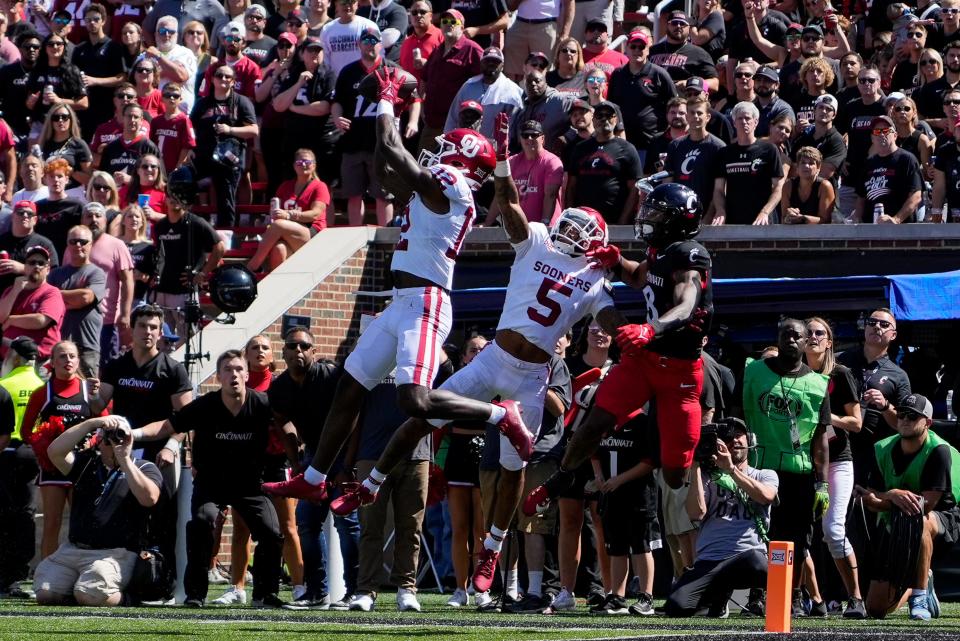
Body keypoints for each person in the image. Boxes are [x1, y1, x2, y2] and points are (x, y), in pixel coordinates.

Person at [330, 110, 620, 599]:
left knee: (511, 471)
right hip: (492, 360)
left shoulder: (596, 280)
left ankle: (494, 546)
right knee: (422, 409)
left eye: (580, 231)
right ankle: (373, 481)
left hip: (531, 376)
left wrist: (626, 301)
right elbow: (508, 209)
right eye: (567, 223)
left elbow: (612, 323)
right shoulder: (540, 240)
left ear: (596, 244)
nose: (569, 232)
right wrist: (505, 163)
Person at [262, 68, 500, 509]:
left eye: (448, 151)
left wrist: (387, 98)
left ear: (464, 163)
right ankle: (314, 477)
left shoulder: (455, 188)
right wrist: (380, 125)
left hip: (426, 304)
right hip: (400, 302)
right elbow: (385, 170)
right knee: (350, 385)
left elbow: (394, 148)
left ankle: (501, 415)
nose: (439, 154)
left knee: (413, 400)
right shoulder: (436, 190)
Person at [524, 181, 713, 528]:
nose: (647, 218)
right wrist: (617, 261)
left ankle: (674, 437)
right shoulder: (659, 251)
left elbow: (687, 304)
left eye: (656, 214)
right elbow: (641, 278)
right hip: (645, 361)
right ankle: (562, 479)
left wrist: (649, 329)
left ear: (677, 221)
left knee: (674, 474)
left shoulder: (690, 254)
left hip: (680, 373)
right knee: (594, 422)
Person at [134, 350, 286, 608]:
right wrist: (133, 433)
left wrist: (298, 446)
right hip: (211, 484)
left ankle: (265, 593)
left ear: (247, 375)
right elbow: (167, 427)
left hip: (249, 484)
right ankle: (195, 594)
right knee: (202, 523)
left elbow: (288, 424)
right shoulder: (205, 405)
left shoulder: (262, 404)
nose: (234, 375)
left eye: (239, 369)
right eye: (227, 369)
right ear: (219, 376)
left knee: (272, 531)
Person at [743, 319, 832, 617]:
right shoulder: (753, 371)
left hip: (800, 473)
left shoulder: (819, 385)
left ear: (808, 342)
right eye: (786, 334)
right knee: (761, 536)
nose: (792, 339)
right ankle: (758, 594)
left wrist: (823, 483)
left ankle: (790, 596)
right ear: (778, 338)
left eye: (798, 335)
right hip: (760, 468)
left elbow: (821, 439)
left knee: (796, 540)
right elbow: (735, 415)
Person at [263, 326, 355, 609]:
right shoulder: (279, 388)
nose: (298, 351)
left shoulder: (331, 377)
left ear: (314, 352)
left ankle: (356, 592)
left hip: (342, 453)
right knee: (307, 522)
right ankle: (317, 593)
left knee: (347, 523)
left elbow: (355, 418)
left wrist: (348, 465)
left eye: (304, 347)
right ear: (284, 352)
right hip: (314, 457)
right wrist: (296, 462)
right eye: (292, 346)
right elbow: (281, 421)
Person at [33, 414, 161, 606]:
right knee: (46, 595)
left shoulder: (144, 467)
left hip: (116, 553)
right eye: (107, 437)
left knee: (91, 595)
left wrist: (124, 460)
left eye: (118, 436)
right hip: (74, 549)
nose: (112, 442)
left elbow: (149, 499)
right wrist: (92, 423)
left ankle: (128, 598)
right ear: (99, 441)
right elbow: (54, 452)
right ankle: (79, 591)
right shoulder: (86, 464)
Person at [857, 394, 960, 621]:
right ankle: (920, 583)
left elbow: (925, 505)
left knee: (919, 523)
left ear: (928, 423)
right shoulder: (882, 449)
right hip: (894, 522)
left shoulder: (938, 450)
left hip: (940, 521)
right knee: (876, 608)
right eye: (902, 414)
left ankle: (920, 597)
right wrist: (892, 495)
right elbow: (868, 498)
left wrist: (883, 500)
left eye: (913, 416)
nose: (904, 419)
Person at [663, 418, 779, 617]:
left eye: (739, 435)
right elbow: (695, 513)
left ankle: (753, 599)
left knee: (762, 567)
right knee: (676, 607)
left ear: (749, 439)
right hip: (710, 559)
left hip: (748, 554)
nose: (734, 441)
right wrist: (695, 467)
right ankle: (718, 596)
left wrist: (731, 470)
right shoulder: (708, 476)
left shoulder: (765, 474)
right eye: (728, 437)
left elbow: (766, 496)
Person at [802, 316, 867, 618]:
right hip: (802, 461)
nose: (813, 337)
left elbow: (856, 423)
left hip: (838, 461)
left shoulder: (839, 374)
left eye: (820, 333)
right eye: (808, 333)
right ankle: (813, 599)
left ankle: (855, 598)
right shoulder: (794, 375)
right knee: (797, 532)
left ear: (829, 341)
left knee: (833, 530)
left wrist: (825, 417)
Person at [21, 340, 92, 559]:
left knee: (82, 527)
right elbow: (26, 431)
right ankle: (45, 578)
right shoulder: (43, 393)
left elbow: (105, 422)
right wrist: (42, 446)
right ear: (52, 362)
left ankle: (79, 577)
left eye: (72, 356)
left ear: (78, 360)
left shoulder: (90, 390)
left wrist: (92, 442)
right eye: (62, 356)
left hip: (81, 467)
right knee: (51, 523)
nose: (67, 360)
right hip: (52, 469)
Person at [333, 27, 409, 227]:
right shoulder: (349, 72)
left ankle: (387, 236)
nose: (369, 44)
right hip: (353, 140)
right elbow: (337, 101)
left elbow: (415, 97)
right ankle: (354, 238)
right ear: (359, 44)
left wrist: (412, 122)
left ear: (380, 44)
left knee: (383, 194)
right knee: (353, 194)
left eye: (373, 41)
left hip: (381, 143)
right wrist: (337, 118)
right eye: (365, 40)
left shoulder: (391, 69)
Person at [442, 335, 489, 608]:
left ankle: (481, 588)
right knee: (459, 527)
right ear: (464, 357)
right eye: (473, 350)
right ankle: (460, 589)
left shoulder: (496, 379)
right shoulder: (456, 380)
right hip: (458, 452)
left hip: (486, 454)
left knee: (481, 528)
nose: (478, 354)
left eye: (484, 350)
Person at [150, 165, 225, 335]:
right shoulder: (160, 226)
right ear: (165, 198)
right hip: (161, 291)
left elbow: (219, 247)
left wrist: (203, 273)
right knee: (161, 340)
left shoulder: (195, 222)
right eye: (170, 196)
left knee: (188, 337)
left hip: (185, 293)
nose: (174, 199)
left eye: (178, 196)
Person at [0, 337, 42, 598]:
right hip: (34, 456)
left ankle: (5, 574)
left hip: (7, 452)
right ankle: (19, 574)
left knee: (5, 515)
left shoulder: (5, 384)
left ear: (16, 357)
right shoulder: (41, 385)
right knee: (26, 515)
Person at [247, 149, 330, 273]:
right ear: (294, 166)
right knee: (278, 249)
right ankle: (277, 286)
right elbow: (276, 211)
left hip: (312, 233)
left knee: (279, 225)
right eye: (299, 161)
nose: (303, 164)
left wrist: (288, 215)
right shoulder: (285, 186)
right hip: (287, 234)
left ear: (314, 165)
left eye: (307, 161)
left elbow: (315, 214)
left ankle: (252, 268)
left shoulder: (320, 186)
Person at [564, 100, 641, 225]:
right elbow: (571, 186)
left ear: (615, 120)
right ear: (593, 121)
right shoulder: (580, 148)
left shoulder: (627, 149)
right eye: (600, 116)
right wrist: (570, 217)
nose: (604, 119)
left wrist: (623, 219)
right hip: (582, 221)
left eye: (609, 116)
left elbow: (634, 189)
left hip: (614, 220)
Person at [712, 101, 785, 225]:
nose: (744, 122)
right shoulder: (724, 153)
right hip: (733, 221)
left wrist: (765, 212)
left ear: (755, 122)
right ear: (734, 123)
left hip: (763, 222)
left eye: (747, 118)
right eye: (739, 118)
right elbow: (719, 189)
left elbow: (778, 188)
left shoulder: (769, 150)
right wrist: (720, 210)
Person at [418, 8, 482, 151]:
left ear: (462, 26)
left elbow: (486, 81)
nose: (448, 24)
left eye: (453, 21)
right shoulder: (437, 50)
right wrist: (422, 106)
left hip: (456, 125)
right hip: (431, 124)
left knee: (451, 167)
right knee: (423, 166)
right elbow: (424, 78)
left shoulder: (473, 50)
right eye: (445, 21)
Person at [607, 31, 676, 160]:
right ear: (626, 49)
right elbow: (611, 105)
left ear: (648, 50)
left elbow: (674, 104)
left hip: (651, 143)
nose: (637, 50)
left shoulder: (659, 74)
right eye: (633, 46)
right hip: (622, 143)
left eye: (641, 47)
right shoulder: (617, 74)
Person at [47, 225, 105, 376]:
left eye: (82, 241)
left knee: (89, 394)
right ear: (67, 244)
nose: (77, 245)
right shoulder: (56, 274)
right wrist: (73, 298)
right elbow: (46, 302)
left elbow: (85, 298)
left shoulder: (96, 273)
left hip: (86, 346)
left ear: (91, 244)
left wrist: (55, 295)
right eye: (73, 241)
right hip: (58, 346)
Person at [81, 202, 133, 364]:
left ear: (105, 220)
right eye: (89, 216)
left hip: (107, 321)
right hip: (79, 320)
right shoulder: (74, 245)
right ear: (82, 220)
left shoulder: (117, 245)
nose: (93, 220)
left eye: (98, 216)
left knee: (106, 368)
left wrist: (124, 314)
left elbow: (127, 281)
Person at [483, 120, 562, 226]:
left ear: (542, 139)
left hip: (544, 229)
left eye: (534, 135)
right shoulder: (511, 162)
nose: (529, 138)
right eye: (525, 135)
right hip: (519, 231)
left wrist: (545, 225)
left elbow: (550, 196)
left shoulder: (552, 161)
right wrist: (487, 224)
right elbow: (500, 194)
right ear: (520, 139)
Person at [664, 94, 726, 218]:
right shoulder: (675, 146)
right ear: (686, 116)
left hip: (705, 214)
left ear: (708, 117)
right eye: (691, 113)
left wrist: (708, 217)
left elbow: (719, 188)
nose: (695, 117)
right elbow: (668, 184)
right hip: (678, 215)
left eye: (699, 113)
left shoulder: (718, 147)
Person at [836, 66, 886, 216]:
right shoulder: (851, 107)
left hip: (877, 173)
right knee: (847, 223)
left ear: (879, 83)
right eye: (862, 80)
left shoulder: (885, 106)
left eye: (871, 80)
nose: (866, 84)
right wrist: (841, 159)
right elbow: (837, 133)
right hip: (851, 173)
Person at [443, 46, 523, 141]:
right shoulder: (468, 85)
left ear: (502, 65)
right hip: (463, 144)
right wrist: (447, 140)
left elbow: (513, 130)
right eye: (487, 60)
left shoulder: (513, 91)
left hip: (494, 149)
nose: (491, 64)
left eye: (495, 61)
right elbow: (453, 117)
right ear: (481, 63)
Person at [0, 244, 64, 361]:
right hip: (8, 358)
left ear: (48, 269)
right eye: (32, 262)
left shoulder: (52, 292)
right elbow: (0, 317)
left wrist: (11, 320)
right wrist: (15, 290)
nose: (36, 266)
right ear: (25, 267)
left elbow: (41, 320)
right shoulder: (11, 290)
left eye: (41, 263)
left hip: (37, 360)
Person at [855, 115, 922, 223]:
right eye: (877, 131)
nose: (881, 134)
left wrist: (896, 219)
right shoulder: (868, 163)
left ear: (895, 135)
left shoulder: (907, 159)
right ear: (872, 138)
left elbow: (916, 196)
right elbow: (861, 198)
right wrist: (856, 219)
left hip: (900, 229)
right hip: (871, 229)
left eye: (886, 130)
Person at [71, 3, 125, 137]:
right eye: (88, 20)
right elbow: (73, 77)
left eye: (96, 19)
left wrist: (95, 81)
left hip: (106, 107)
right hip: (84, 109)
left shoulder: (113, 47)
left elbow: (122, 77)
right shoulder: (79, 49)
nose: (92, 23)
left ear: (103, 21)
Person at [507, 70, 573, 155]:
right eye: (529, 82)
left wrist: (568, 136)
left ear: (545, 83)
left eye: (537, 81)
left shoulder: (561, 100)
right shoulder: (525, 106)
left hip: (555, 159)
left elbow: (586, 112)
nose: (533, 84)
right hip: (530, 159)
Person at [0, 200, 59, 295]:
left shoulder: (44, 244)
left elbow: (54, 276)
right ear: (12, 216)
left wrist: (23, 269)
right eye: (21, 212)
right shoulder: (1, 241)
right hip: (3, 298)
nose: (25, 216)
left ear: (35, 220)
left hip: (31, 299)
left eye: (30, 214)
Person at [649, 10, 719, 90]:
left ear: (689, 28)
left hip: (682, 99)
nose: (678, 26)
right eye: (674, 23)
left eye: (682, 24)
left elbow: (715, 84)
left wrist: (689, 83)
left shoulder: (699, 53)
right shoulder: (652, 51)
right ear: (667, 26)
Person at [144, 16, 198, 113]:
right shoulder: (146, 55)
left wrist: (158, 56)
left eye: (171, 32)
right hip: (153, 113)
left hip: (180, 114)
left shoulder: (185, 53)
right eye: (162, 31)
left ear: (177, 35)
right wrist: (168, 69)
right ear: (156, 34)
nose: (167, 34)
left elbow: (180, 76)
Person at [97, 104, 160, 187]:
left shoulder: (149, 147)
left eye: (136, 117)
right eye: (129, 116)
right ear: (123, 118)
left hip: (138, 197)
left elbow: (159, 181)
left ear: (141, 120)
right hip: (115, 197)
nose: (132, 120)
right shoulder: (110, 147)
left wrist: (131, 180)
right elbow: (102, 177)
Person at [792, 93, 845, 186]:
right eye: (821, 107)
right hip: (800, 193)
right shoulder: (804, 138)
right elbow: (791, 167)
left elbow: (825, 173)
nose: (824, 111)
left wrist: (800, 170)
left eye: (829, 109)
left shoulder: (837, 140)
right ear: (814, 111)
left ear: (834, 115)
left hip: (823, 194)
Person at [35, 157, 83, 256]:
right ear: (45, 179)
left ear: (66, 179)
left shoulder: (77, 206)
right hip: (43, 259)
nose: (56, 180)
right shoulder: (37, 206)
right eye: (51, 176)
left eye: (60, 176)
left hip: (68, 258)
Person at [37, 103, 92, 188]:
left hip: (73, 192)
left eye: (64, 117)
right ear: (51, 121)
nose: (60, 120)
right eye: (56, 118)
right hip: (49, 192)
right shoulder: (44, 144)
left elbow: (90, 179)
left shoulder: (79, 144)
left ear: (71, 119)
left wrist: (71, 172)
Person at [319, 0, 379, 76]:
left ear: (357, 4)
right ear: (336, 5)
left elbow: (378, 56)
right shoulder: (327, 29)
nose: (347, 6)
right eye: (343, 3)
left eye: (351, 2)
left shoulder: (368, 26)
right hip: (336, 81)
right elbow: (325, 59)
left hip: (362, 80)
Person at [781, 146, 836, 224]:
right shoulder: (788, 186)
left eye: (811, 163)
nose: (806, 166)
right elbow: (783, 219)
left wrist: (802, 218)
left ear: (818, 167)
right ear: (797, 166)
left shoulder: (824, 186)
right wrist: (789, 217)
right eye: (803, 162)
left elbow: (825, 220)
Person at [397, 0, 442, 86]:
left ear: (431, 16)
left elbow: (450, 68)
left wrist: (428, 64)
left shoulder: (442, 37)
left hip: (433, 94)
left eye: (422, 12)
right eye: (414, 12)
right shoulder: (406, 42)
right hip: (408, 96)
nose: (418, 15)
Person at [118, 205, 154, 304]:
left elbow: (150, 278)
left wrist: (140, 275)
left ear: (142, 222)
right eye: (130, 216)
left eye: (137, 217)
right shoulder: (114, 243)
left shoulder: (149, 247)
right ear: (123, 221)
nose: (134, 219)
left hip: (138, 298)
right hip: (116, 297)